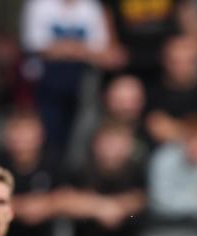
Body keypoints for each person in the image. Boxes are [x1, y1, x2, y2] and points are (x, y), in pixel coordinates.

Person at [20, 0, 124, 152]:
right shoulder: (38, 4)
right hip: (47, 79)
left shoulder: (91, 6)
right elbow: (34, 44)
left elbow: (103, 49)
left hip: (82, 79)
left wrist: (61, 48)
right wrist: (81, 50)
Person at [54, 119, 146, 236]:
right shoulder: (80, 171)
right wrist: (101, 207)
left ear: (129, 146)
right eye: (109, 142)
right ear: (96, 144)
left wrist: (120, 207)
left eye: (118, 143)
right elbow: (62, 200)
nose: (112, 150)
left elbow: (142, 200)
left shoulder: (138, 172)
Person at [0, 109, 62, 236]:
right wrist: (20, 206)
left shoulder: (54, 163)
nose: (22, 138)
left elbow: (74, 197)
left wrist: (49, 204)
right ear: (6, 135)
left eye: (27, 131)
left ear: (41, 134)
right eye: (17, 131)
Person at [145, 35, 197, 146]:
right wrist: (195, 132)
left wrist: (174, 129)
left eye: (188, 61)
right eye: (175, 62)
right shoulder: (151, 94)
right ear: (164, 61)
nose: (181, 68)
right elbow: (157, 129)